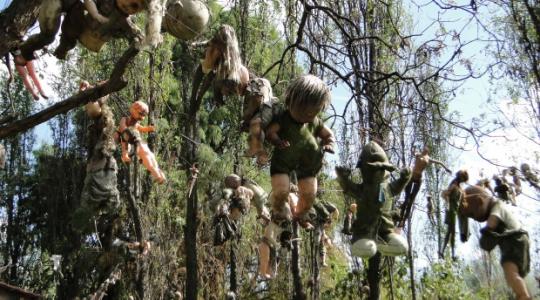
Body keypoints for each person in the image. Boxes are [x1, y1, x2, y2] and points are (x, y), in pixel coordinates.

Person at [266, 74, 335, 229]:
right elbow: (271, 132)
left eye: (313, 112)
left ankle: (301, 213)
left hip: (308, 166)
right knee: (281, 191)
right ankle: (281, 211)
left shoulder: (315, 122)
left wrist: (329, 143)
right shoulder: (284, 118)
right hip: (283, 163)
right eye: (304, 111)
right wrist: (277, 141)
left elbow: (328, 135)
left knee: (310, 194)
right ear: (291, 101)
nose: (309, 116)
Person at [335, 141, 411, 258]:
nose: (376, 172)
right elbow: (348, 187)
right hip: (364, 232)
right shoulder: (364, 189)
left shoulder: (386, 188)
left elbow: (398, 186)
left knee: (401, 246)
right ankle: (366, 242)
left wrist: (405, 177)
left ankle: (382, 243)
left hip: (386, 230)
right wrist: (342, 177)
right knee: (366, 248)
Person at [19, 0, 159, 60]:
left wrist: (149, 37)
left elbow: (138, 37)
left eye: (135, 7)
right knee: (67, 27)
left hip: (91, 36)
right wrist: (95, 14)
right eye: (131, 3)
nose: (129, 7)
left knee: (69, 40)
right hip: (80, 23)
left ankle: (64, 47)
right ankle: (27, 48)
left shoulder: (125, 22)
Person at [460, 185, 531, 300]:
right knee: (512, 276)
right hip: (515, 240)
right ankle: (521, 294)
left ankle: (523, 295)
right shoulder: (496, 206)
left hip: (514, 239)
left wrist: (487, 231)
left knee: (510, 272)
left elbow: (492, 222)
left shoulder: (497, 206)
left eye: (472, 214)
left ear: (480, 201)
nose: (474, 218)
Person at [190, 25, 249, 106]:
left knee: (214, 78)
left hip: (230, 74)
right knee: (210, 73)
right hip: (227, 73)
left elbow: (209, 44)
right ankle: (199, 99)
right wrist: (196, 44)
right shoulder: (219, 43)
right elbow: (208, 43)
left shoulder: (230, 49)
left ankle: (207, 98)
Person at [398, 147, 451, 227]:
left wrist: (446, 168)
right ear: (423, 150)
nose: (425, 151)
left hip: (418, 179)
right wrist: (413, 149)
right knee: (407, 199)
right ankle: (400, 218)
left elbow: (439, 162)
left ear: (427, 151)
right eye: (424, 149)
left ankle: (404, 220)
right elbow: (413, 153)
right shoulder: (418, 155)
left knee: (411, 201)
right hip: (411, 177)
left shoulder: (428, 158)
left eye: (426, 150)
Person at [117, 101, 165, 184]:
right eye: (141, 114)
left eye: (144, 115)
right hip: (133, 143)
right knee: (145, 156)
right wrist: (125, 153)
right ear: (134, 110)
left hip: (138, 142)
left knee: (151, 155)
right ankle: (156, 174)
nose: (142, 117)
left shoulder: (136, 124)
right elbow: (122, 132)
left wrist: (149, 128)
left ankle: (160, 174)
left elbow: (142, 129)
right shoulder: (125, 119)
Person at [242, 77, 278, 166]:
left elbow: (258, 98)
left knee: (256, 124)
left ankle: (257, 149)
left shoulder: (256, 86)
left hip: (266, 106)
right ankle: (258, 149)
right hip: (266, 107)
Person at [440, 170, 469, 259]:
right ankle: (452, 254)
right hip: (451, 210)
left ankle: (443, 251)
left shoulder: (460, 188)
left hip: (455, 211)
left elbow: (462, 200)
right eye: (463, 179)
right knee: (452, 232)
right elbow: (444, 194)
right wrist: (448, 203)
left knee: (450, 232)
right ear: (460, 177)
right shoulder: (453, 186)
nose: (463, 181)